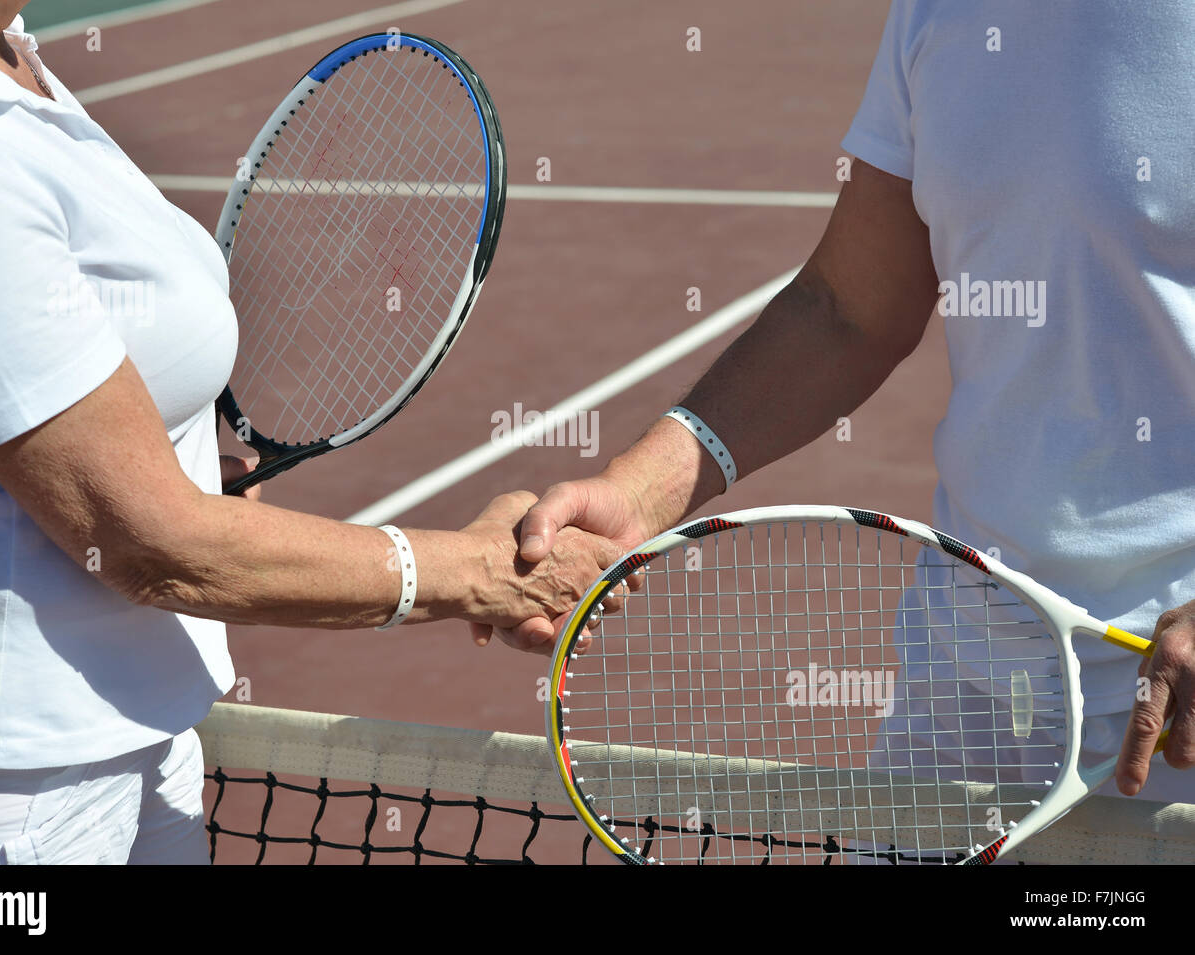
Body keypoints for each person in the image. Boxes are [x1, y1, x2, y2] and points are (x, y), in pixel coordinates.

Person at [0, 0, 620, 864]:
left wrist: (181, 465)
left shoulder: (1, 56)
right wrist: (479, 572)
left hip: (138, 733)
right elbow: (148, 542)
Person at [509, 0, 1195, 802]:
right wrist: (640, 489)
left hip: (1171, 720)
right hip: (960, 690)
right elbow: (850, 307)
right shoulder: (938, 11)